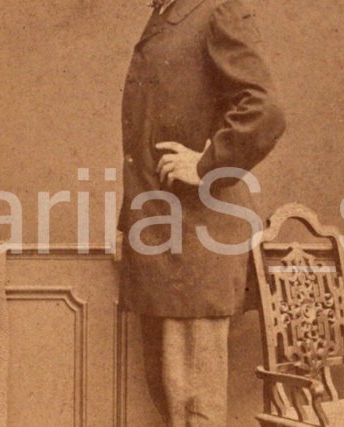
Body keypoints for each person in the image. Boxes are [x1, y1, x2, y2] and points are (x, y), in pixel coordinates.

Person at [119, 0, 286, 424]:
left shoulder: (216, 10)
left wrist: (206, 165)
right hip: (160, 238)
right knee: (172, 402)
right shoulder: (166, 15)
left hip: (197, 242)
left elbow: (265, 109)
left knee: (195, 410)